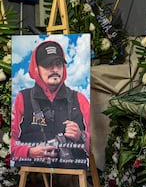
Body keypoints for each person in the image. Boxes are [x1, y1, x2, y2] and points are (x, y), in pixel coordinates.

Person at [11, 40, 90, 169]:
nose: (54, 69)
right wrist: (29, 152)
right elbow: (10, 144)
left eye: (58, 64)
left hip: (72, 180)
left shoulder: (80, 99)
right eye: (48, 65)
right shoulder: (21, 98)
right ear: (36, 69)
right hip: (33, 178)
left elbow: (95, 145)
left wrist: (81, 136)